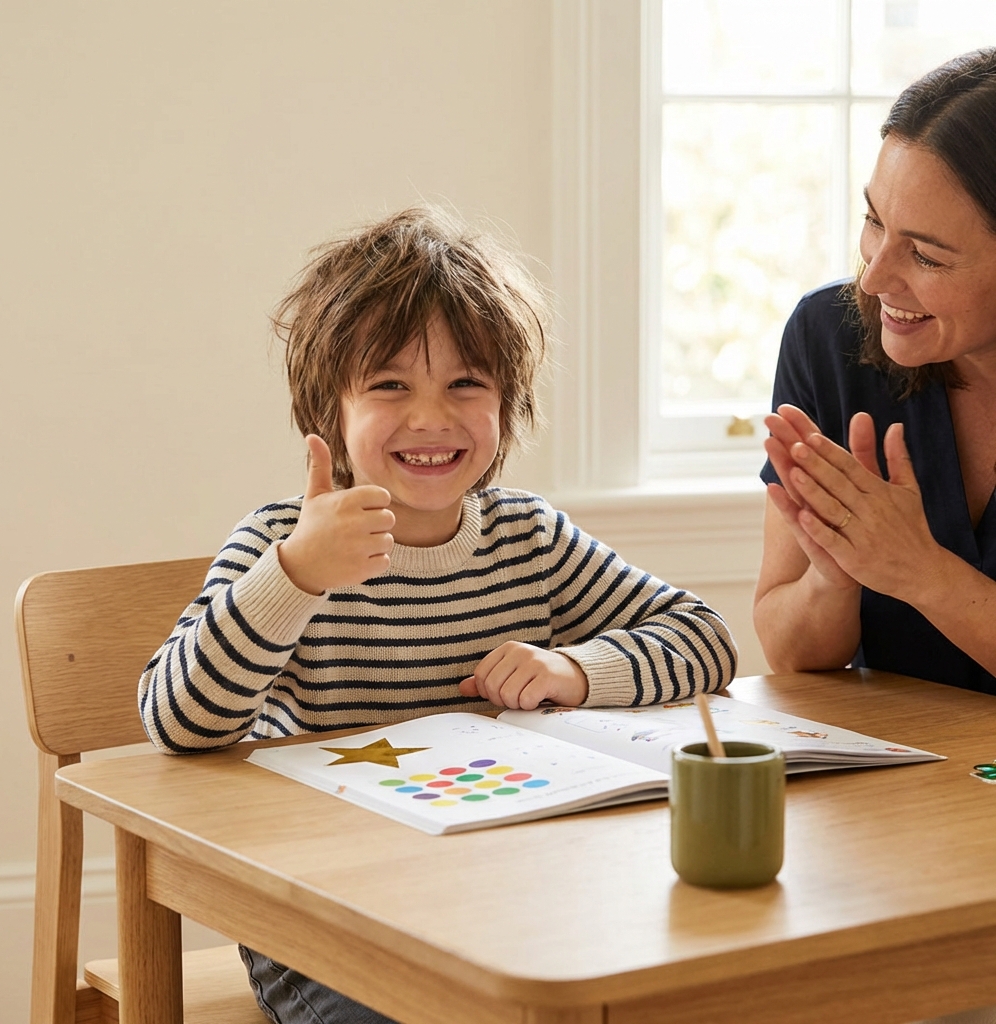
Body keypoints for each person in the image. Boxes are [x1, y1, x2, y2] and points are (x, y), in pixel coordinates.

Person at [139, 207, 737, 1024]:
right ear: (330, 410)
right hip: (325, 926)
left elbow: (703, 639)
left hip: (507, 910)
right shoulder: (282, 546)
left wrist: (573, 670)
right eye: (390, 385)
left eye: (466, 384)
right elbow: (176, 722)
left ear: (507, 404)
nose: (431, 418)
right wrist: (294, 580)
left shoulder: (527, 537)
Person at [755, 47, 996, 699]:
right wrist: (834, 576)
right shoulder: (827, 338)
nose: (876, 274)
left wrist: (919, 571)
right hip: (902, 784)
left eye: (926, 255)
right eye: (874, 221)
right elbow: (791, 658)